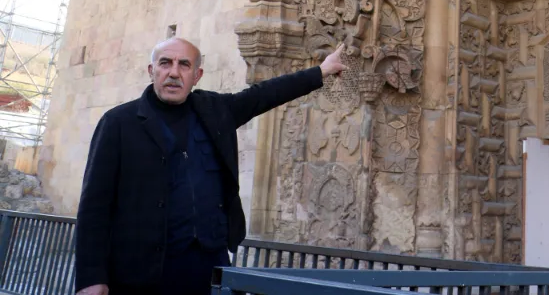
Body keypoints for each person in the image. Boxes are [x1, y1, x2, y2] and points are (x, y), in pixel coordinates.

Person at [74, 37, 346, 295]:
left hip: (208, 268)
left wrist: (321, 72)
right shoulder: (119, 123)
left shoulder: (215, 111)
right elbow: (94, 208)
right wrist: (91, 278)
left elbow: (265, 94)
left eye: (184, 65)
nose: (173, 73)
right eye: (165, 63)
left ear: (197, 75)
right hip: (142, 273)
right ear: (151, 70)